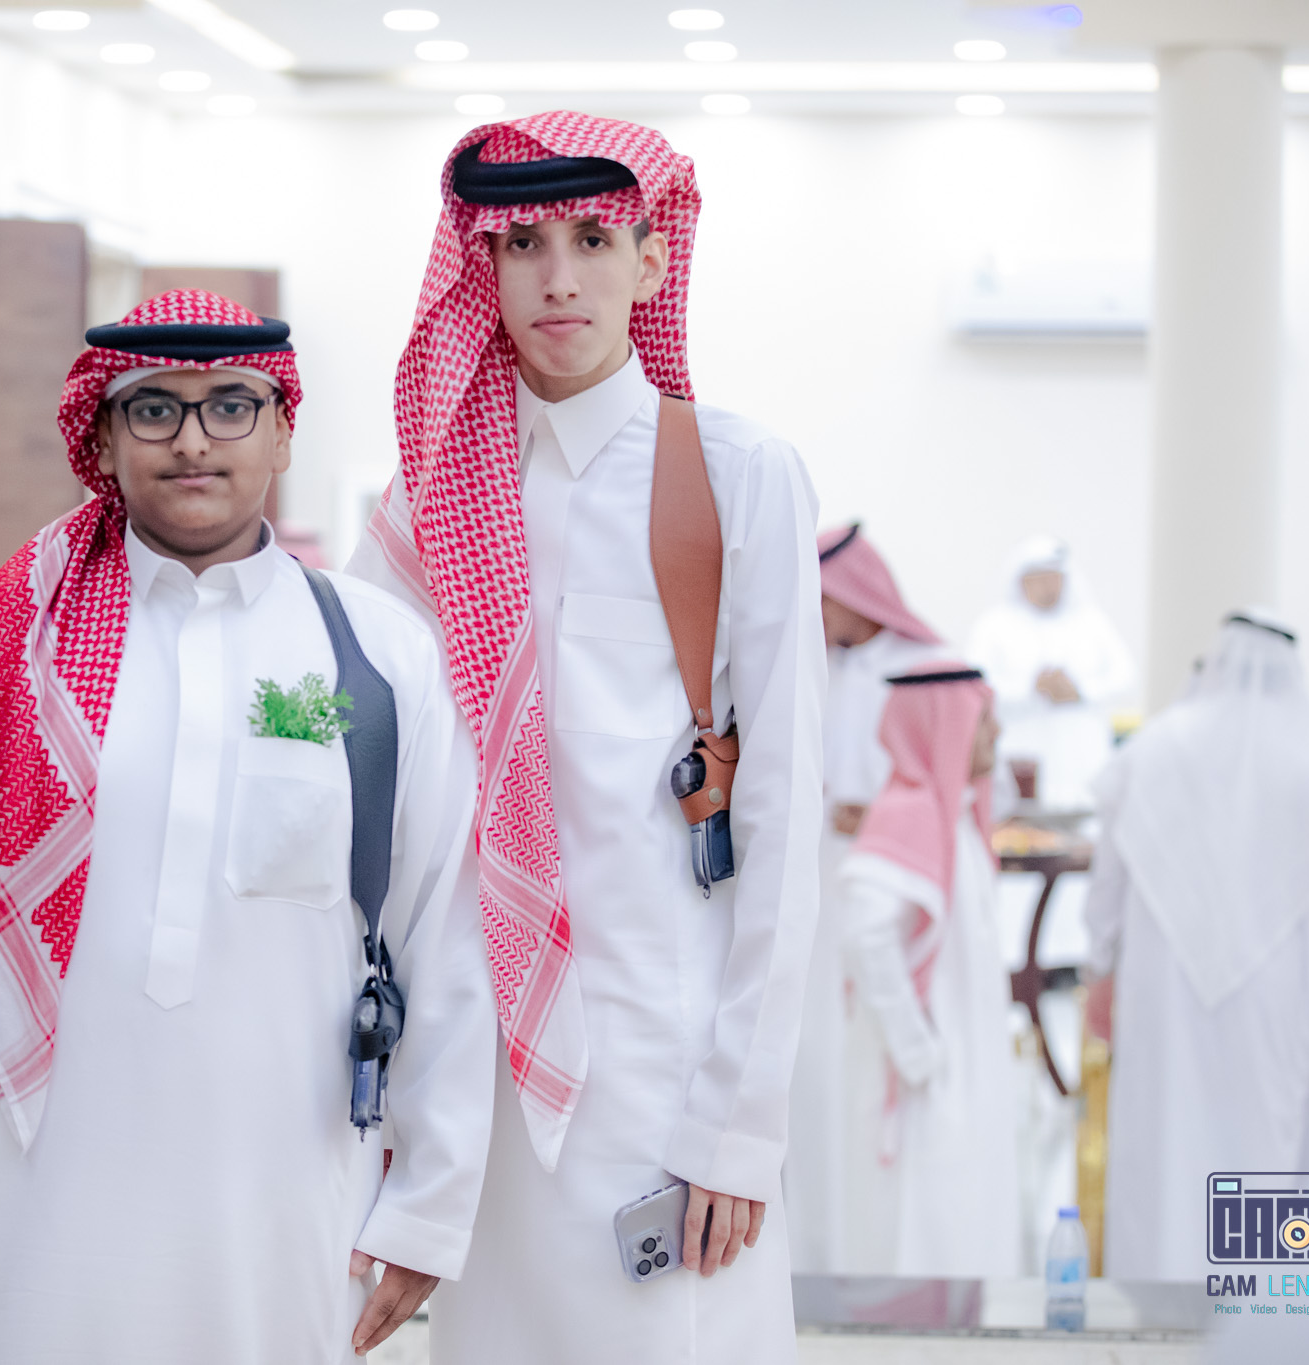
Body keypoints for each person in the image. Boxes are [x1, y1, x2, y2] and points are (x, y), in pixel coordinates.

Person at [0, 291, 494, 1363]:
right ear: (101, 437)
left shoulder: (380, 658)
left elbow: (444, 938)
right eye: (153, 408)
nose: (192, 440)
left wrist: (430, 1204)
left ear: (282, 432)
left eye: (230, 405)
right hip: (0, 1197)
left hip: (273, 1201)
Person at [349, 112, 823, 1364]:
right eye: (522, 245)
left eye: (592, 240)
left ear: (651, 262)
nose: (557, 277)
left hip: (663, 1064)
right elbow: (365, 773)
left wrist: (737, 1125)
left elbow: (782, 817)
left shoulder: (735, 475)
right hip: (479, 1077)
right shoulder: (424, 503)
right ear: (483, 269)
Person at [1085, 610, 1309, 1280]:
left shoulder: (1157, 746)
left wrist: (1100, 966)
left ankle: (1156, 1304)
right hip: (1276, 990)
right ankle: (1262, 1308)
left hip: (1164, 987)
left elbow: (1108, 881)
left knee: (1167, 1139)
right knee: (1262, 1136)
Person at [787, 524, 942, 1272]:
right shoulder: (814, 666)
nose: (816, 616)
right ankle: (813, 1247)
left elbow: (956, 785)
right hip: (815, 897)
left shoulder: (925, 669)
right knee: (813, 1067)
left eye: (823, 600)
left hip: (888, 896)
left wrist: (878, 813)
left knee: (873, 1062)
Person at [839, 665, 1022, 1277]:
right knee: (927, 1230)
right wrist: (918, 1052)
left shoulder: (955, 817)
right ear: (946, 725)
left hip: (965, 1060)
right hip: (929, 1080)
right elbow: (865, 933)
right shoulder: (909, 812)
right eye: (983, 718)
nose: (996, 732)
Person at [966, 536, 1132, 812]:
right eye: (1039, 578)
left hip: (1082, 756)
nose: (1048, 586)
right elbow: (976, 684)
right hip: (1022, 752)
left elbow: (1124, 676)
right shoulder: (995, 626)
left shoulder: (1091, 622)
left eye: (1054, 577)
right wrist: (1031, 688)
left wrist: (1079, 690)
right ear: (1022, 581)